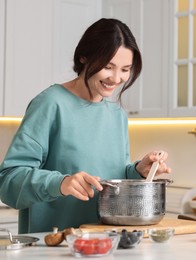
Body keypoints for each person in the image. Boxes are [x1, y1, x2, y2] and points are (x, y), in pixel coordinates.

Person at [0, 18, 171, 234]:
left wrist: (137, 172)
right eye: (108, 66)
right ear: (84, 57)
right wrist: (61, 183)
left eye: (125, 69)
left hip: (106, 243)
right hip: (54, 246)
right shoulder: (50, 104)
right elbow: (9, 182)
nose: (116, 78)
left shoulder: (117, 115)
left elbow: (110, 178)